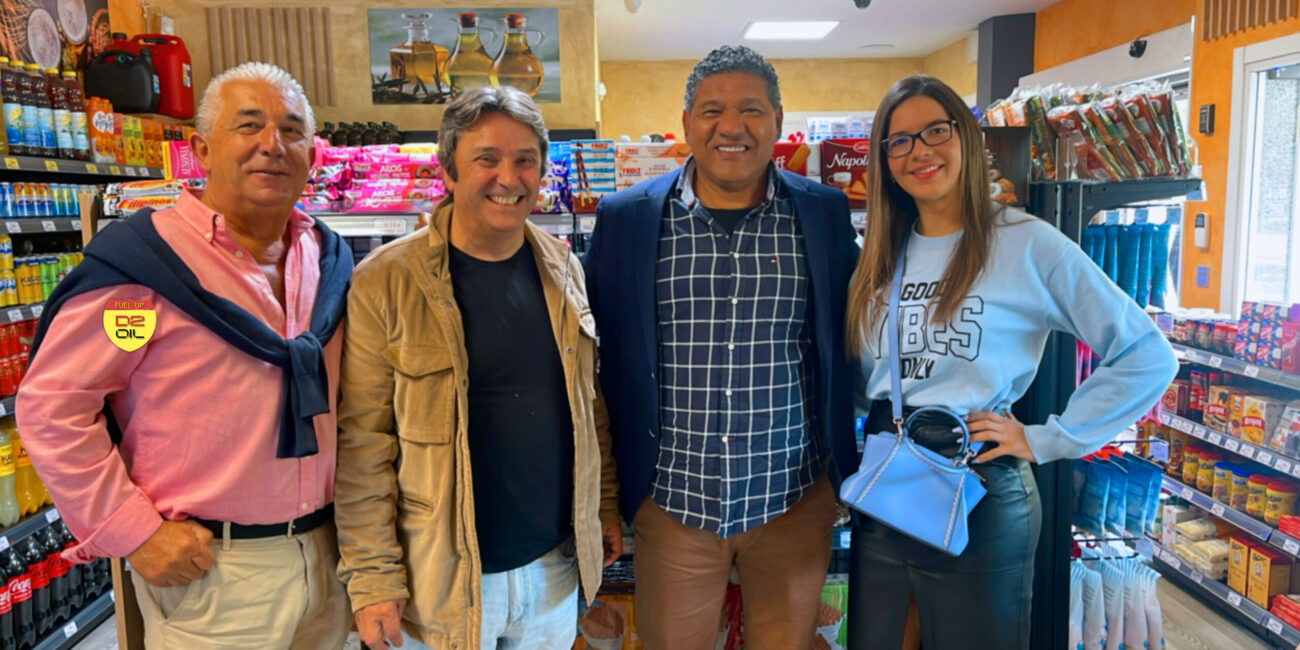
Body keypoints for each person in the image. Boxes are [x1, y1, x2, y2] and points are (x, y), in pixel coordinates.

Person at [15, 62, 352, 648]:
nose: (272, 145)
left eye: (292, 130)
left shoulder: (328, 261)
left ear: (313, 154)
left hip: (328, 557)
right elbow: (54, 407)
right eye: (248, 125)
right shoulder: (146, 271)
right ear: (201, 150)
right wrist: (133, 533)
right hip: (210, 572)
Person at [843, 74, 1179, 649]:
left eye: (935, 131)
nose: (919, 150)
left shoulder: (1026, 243)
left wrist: (1049, 437)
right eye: (898, 140)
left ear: (967, 140)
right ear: (884, 160)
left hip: (980, 486)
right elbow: (862, 378)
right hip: (889, 487)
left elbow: (1146, 353)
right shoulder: (880, 253)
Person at [585, 45, 859, 649]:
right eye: (712, 110)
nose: (731, 126)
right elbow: (596, 358)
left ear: (778, 121)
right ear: (687, 123)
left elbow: (851, 335)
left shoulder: (824, 213)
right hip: (673, 503)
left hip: (792, 498)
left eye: (751, 110)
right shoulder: (625, 217)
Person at [334, 86, 621, 650]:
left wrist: (603, 506)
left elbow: (590, 408)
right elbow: (363, 445)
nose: (508, 178)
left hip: (552, 572)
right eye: (486, 159)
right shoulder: (384, 281)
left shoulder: (565, 269)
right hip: (439, 584)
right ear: (449, 170)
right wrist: (373, 578)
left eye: (525, 160)